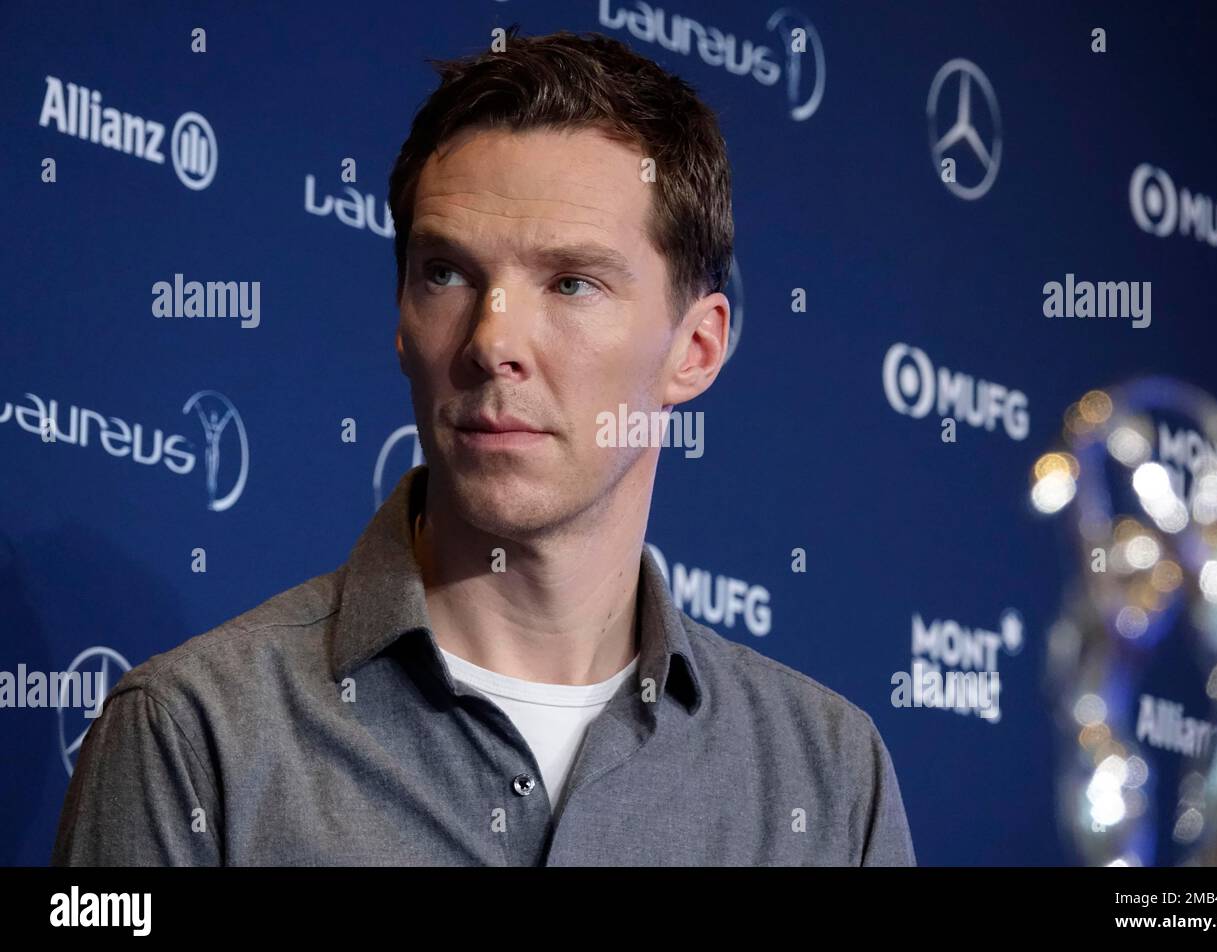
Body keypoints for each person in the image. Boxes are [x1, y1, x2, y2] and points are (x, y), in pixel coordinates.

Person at [51, 26, 915, 866]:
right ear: (400, 321)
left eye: (572, 282)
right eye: (448, 273)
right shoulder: (192, 739)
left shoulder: (830, 776)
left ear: (696, 349)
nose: (491, 339)